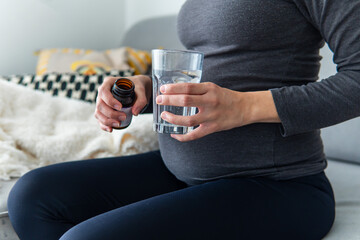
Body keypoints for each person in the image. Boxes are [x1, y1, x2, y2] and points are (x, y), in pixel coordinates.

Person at [7, 0, 360, 239]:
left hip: (279, 185)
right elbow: (215, 69)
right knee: (33, 196)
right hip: (183, 172)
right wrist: (143, 88)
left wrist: (245, 107)